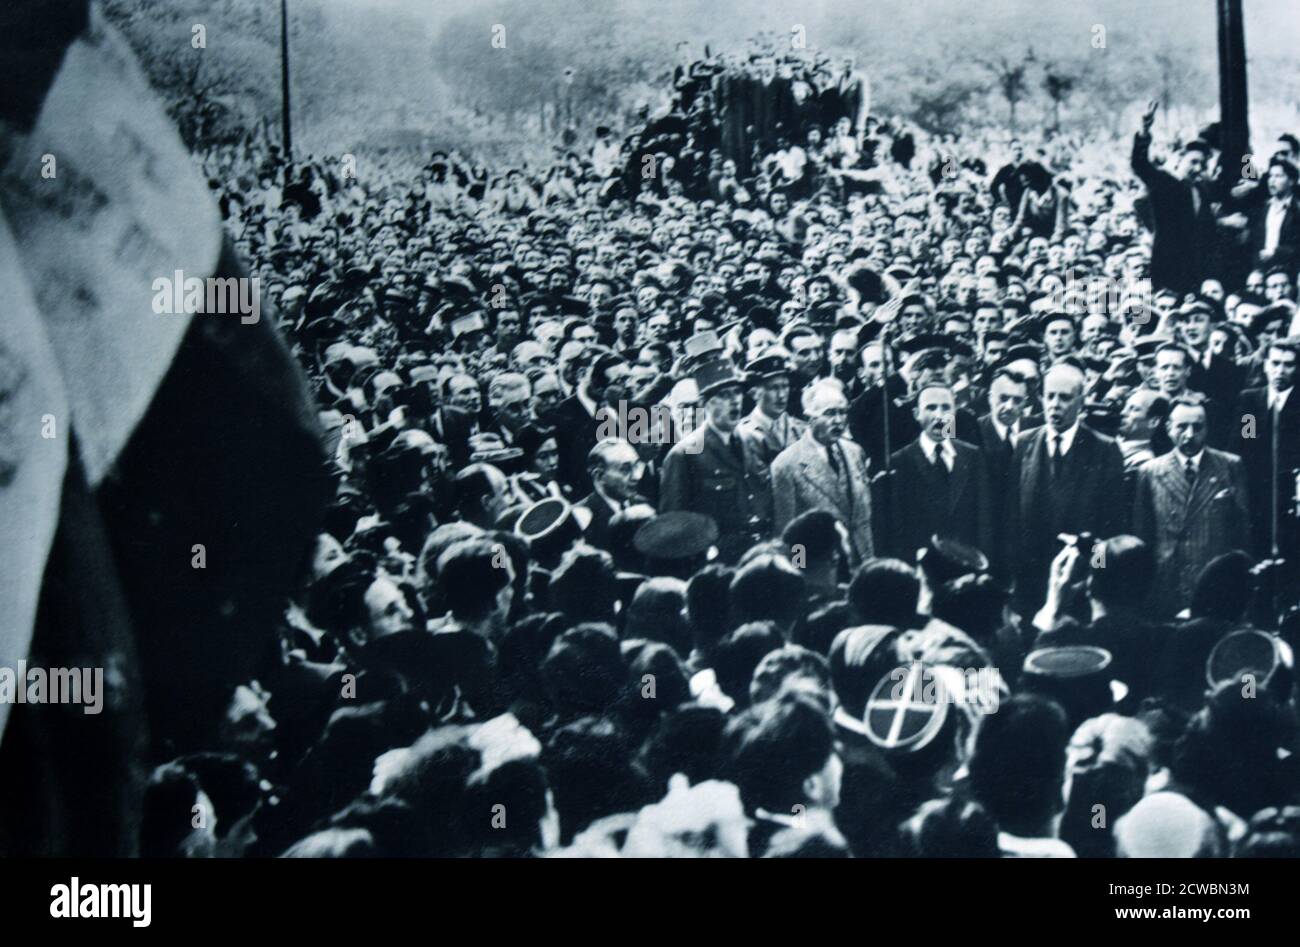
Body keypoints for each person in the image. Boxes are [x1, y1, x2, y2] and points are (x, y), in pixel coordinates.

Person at [1006, 364, 1126, 612]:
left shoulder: (1105, 449)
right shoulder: (1023, 443)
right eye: (1050, 396)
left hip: (1081, 581)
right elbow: (1011, 515)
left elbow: (1111, 525)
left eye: (1064, 397)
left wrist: (1098, 574)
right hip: (1031, 581)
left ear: (1081, 402)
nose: (1055, 404)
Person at [1132, 397, 1251, 617]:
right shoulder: (1149, 472)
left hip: (1215, 585)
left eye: (1197, 427)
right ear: (1168, 428)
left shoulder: (1230, 466)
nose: (1189, 434)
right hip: (1167, 586)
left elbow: (1242, 533)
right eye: (1181, 427)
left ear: (1207, 429)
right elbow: (1143, 535)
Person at [659, 357, 773, 562]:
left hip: (760, 554)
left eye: (737, 392)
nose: (734, 401)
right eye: (724, 395)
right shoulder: (685, 454)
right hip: (718, 562)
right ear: (705, 404)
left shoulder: (756, 440)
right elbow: (674, 526)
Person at [881, 382, 992, 564]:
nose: (939, 415)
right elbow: (896, 526)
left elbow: (984, 518)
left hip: (966, 565)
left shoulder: (972, 455)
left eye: (946, 408)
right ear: (916, 414)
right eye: (931, 408)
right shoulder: (900, 461)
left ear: (955, 412)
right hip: (923, 567)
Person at [772, 379, 874, 565]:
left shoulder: (854, 452)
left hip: (862, 560)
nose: (838, 421)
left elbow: (863, 514)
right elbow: (787, 532)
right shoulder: (787, 464)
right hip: (822, 566)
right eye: (829, 413)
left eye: (842, 412)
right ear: (810, 418)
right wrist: (800, 571)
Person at [1131, 100, 1219, 295]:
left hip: (1195, 272)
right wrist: (1144, 131)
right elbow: (1140, 164)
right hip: (1167, 270)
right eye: (1193, 162)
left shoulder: (1202, 191)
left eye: (1202, 164)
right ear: (1180, 158)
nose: (1197, 168)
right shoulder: (1164, 182)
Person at [576, 438, 647, 550]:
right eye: (625, 469)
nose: (637, 476)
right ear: (599, 476)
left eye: (636, 466)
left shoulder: (642, 503)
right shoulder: (580, 518)